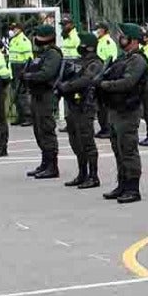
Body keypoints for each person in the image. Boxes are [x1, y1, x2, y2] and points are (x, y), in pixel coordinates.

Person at [97, 23, 148, 203]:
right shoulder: (123, 58)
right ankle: (122, 184)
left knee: (128, 149)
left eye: (124, 36)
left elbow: (128, 82)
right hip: (115, 109)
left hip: (128, 110)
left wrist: (105, 85)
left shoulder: (138, 60)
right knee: (117, 148)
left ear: (133, 40)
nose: (120, 39)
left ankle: (133, 188)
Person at [55, 33, 103, 189]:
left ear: (89, 46)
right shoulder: (80, 62)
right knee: (75, 140)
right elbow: (70, 75)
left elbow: (86, 80)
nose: (80, 46)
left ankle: (93, 176)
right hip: (73, 105)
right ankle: (82, 173)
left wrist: (67, 86)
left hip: (85, 106)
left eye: (83, 43)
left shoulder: (95, 63)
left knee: (86, 140)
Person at [23, 24, 64, 178]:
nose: (36, 39)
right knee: (38, 130)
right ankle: (45, 162)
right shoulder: (42, 53)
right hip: (37, 94)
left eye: (39, 36)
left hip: (46, 95)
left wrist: (30, 76)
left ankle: (52, 165)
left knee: (46, 129)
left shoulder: (53, 54)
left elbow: (47, 73)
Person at [94, 23, 119, 138]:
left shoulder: (108, 42)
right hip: (99, 75)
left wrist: (103, 74)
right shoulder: (100, 41)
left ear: (104, 30)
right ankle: (103, 127)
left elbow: (110, 60)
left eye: (98, 29)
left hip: (105, 76)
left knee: (105, 104)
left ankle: (108, 128)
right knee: (100, 104)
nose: (96, 31)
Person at [7, 22, 34, 126]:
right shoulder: (13, 41)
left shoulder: (24, 41)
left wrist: (26, 71)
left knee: (22, 94)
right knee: (16, 94)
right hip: (14, 69)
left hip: (21, 69)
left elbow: (29, 58)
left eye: (14, 29)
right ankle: (20, 115)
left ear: (19, 30)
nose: (12, 31)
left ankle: (28, 116)